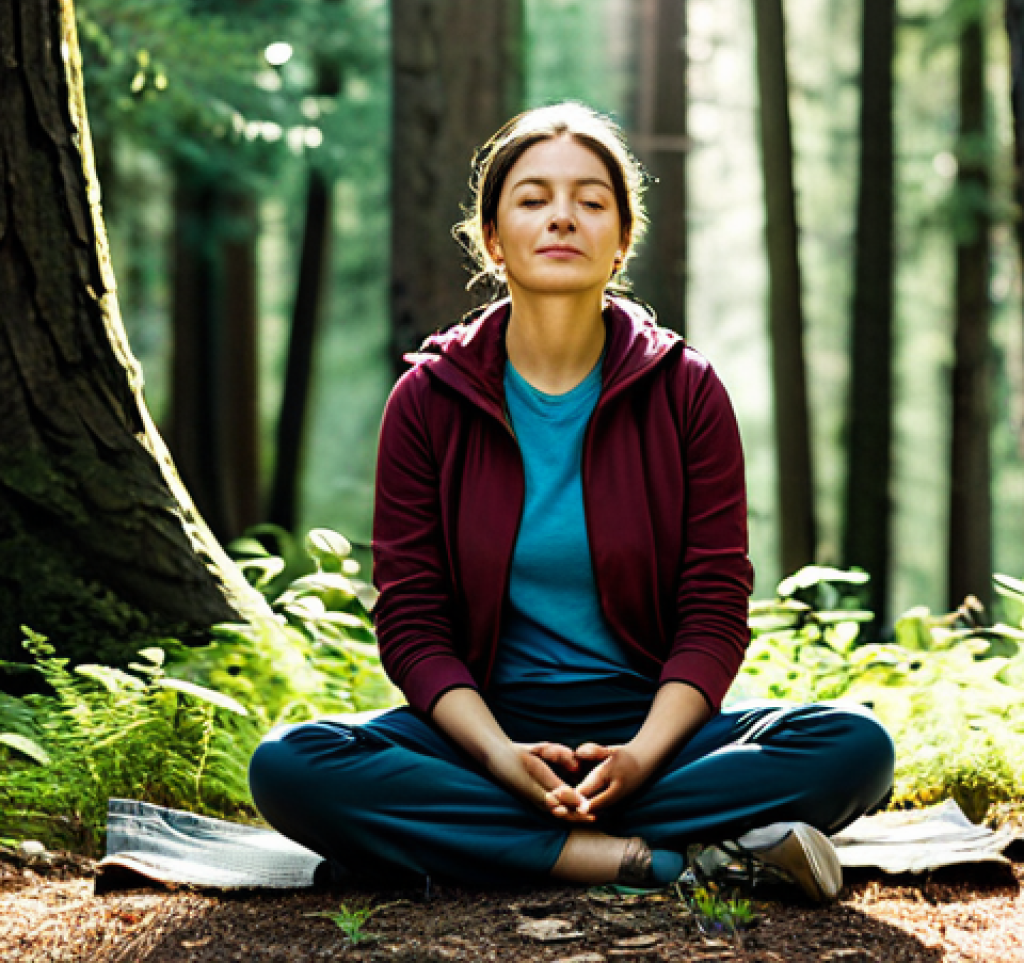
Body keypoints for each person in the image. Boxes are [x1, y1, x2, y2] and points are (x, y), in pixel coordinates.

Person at [249, 102, 894, 901]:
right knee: (289, 765)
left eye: (591, 201)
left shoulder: (686, 391)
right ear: (492, 239)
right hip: (483, 732)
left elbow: (714, 607)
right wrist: (498, 757)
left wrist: (642, 757)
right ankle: (650, 859)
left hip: (654, 728)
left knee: (854, 747)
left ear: (622, 239)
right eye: (532, 199)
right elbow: (413, 618)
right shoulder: (427, 399)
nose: (562, 217)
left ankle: (462, 844)